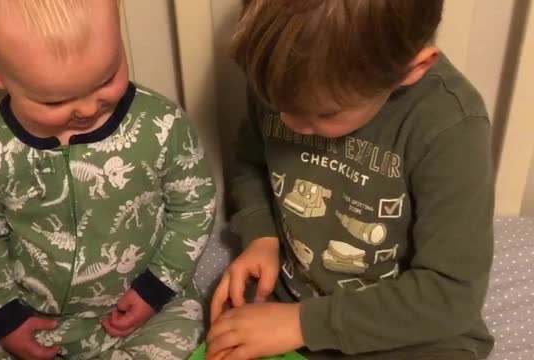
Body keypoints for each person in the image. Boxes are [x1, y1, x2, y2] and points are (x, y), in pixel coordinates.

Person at [0, 1, 216, 359]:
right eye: (54, 100)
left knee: (186, 333)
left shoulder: (162, 125)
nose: (89, 109)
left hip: (137, 307)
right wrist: (4, 317)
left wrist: (156, 286)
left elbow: (194, 204)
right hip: (28, 306)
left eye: (106, 79)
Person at [208, 1, 494, 359]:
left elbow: (450, 295)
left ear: (414, 68)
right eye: (275, 102)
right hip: (293, 303)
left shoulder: (450, 126)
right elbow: (251, 163)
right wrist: (260, 236)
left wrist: (303, 324)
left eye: (325, 114)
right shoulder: (283, 75)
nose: (288, 121)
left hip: (408, 333)